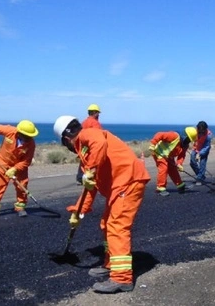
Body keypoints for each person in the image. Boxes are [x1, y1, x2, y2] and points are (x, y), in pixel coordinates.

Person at [53, 115, 151, 294]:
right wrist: (79, 211)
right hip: (120, 186)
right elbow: (91, 187)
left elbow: (99, 144)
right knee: (106, 224)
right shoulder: (86, 156)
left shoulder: (89, 135)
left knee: (117, 226)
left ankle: (122, 279)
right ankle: (111, 264)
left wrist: (91, 170)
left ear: (66, 139)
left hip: (129, 181)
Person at [149, 127, 197, 196]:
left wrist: (179, 164)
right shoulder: (174, 136)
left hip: (168, 156)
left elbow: (182, 155)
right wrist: (153, 144)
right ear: (185, 136)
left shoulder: (184, 145)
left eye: (190, 140)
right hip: (158, 153)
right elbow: (159, 134)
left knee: (173, 169)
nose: (188, 141)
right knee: (164, 168)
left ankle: (180, 185)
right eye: (188, 139)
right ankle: (160, 188)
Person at [76, 104, 103, 185]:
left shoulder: (84, 122)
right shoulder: (95, 123)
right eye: (98, 113)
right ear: (94, 112)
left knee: (83, 161)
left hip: (84, 146)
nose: (98, 115)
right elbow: (98, 136)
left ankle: (80, 178)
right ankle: (91, 177)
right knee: (94, 161)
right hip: (92, 146)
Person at [190, 121, 212, 185]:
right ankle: (201, 175)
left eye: (203, 131)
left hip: (204, 149)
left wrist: (199, 154)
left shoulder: (208, 135)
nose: (201, 132)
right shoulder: (194, 131)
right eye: (200, 131)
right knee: (192, 162)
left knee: (202, 163)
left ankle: (200, 178)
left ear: (205, 129)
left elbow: (206, 147)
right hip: (196, 148)